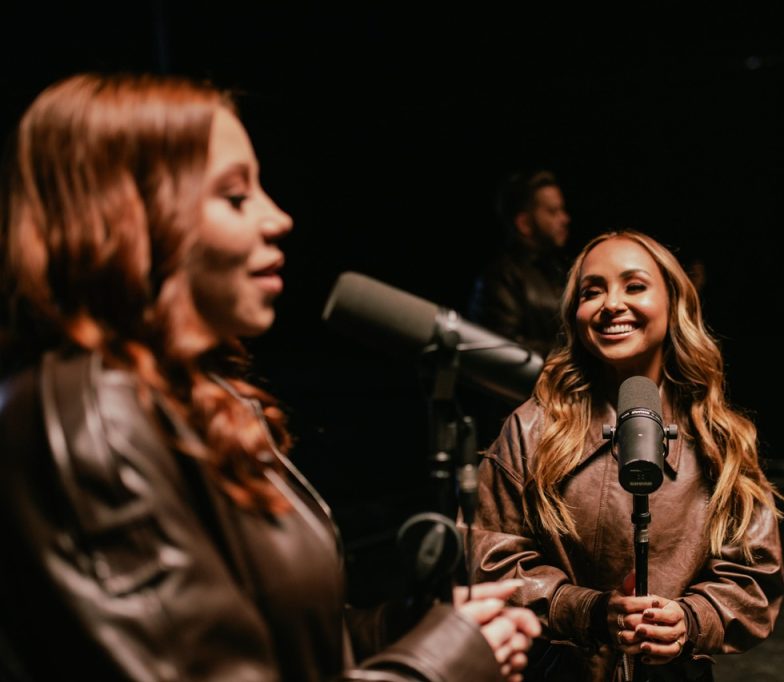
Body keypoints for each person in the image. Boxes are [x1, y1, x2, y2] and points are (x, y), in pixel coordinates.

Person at [0, 72, 540, 682]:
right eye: (234, 197)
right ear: (131, 218)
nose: (278, 217)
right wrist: (439, 666)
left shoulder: (191, 394)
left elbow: (280, 642)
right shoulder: (92, 420)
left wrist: (418, 630)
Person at [466, 230, 784, 681]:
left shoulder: (719, 437)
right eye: (591, 291)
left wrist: (691, 619)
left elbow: (752, 579)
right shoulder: (532, 427)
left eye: (634, 286)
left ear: (673, 304)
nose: (611, 303)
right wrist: (586, 610)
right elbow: (488, 556)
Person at [467, 169, 571, 360]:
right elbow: (501, 348)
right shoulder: (501, 276)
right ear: (524, 223)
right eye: (553, 212)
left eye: (562, 210)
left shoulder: (559, 270)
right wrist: (572, 355)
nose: (564, 219)